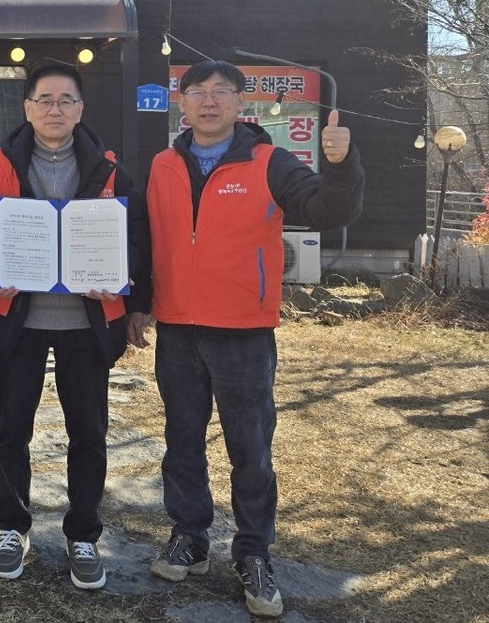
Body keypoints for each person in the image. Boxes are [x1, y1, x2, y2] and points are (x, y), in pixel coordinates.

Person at [137, 59, 364, 618]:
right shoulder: (163, 164)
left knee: (251, 447)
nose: (209, 101)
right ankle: (189, 537)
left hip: (242, 329)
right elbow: (147, 239)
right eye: (197, 91)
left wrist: (341, 165)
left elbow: (328, 209)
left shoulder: (269, 161)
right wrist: (138, 304)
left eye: (222, 91)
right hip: (177, 327)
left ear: (242, 103)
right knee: (181, 441)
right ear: (182, 103)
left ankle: (254, 552)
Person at [0, 62, 151, 589]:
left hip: (86, 323)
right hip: (18, 320)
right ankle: (12, 528)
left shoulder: (110, 170)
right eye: (45, 100)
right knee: (11, 430)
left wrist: (122, 282)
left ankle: (84, 534)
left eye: (66, 100)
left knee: (88, 433)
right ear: (27, 108)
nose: (55, 109)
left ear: (80, 109)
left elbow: (136, 238)